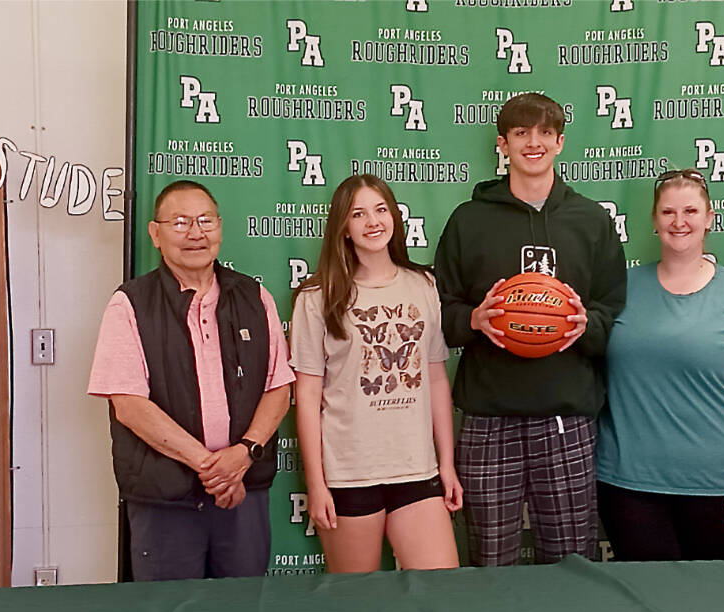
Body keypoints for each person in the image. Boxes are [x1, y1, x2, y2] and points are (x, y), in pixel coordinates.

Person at [434, 92, 627, 566]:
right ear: (503, 144)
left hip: (565, 415)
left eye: (544, 132)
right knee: (491, 561)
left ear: (560, 142)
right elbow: (440, 307)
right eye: (520, 133)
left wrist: (586, 326)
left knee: (571, 565)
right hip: (487, 416)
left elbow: (613, 308)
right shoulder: (468, 219)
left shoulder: (592, 220)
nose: (532, 142)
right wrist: (473, 320)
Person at [88, 180, 293, 581]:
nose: (195, 233)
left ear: (220, 226)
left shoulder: (254, 297)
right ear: (155, 233)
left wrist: (243, 454)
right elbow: (129, 405)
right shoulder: (130, 303)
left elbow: (279, 387)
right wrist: (213, 468)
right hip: (165, 501)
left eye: (205, 221)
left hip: (243, 495)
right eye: (180, 222)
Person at [595, 169, 724, 561]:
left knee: (706, 606)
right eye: (668, 212)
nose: (680, 222)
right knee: (647, 604)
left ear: (710, 218)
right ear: (654, 221)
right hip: (628, 482)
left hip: (714, 485)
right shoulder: (620, 288)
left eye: (691, 210)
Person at [290, 175, 460, 572]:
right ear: (343, 228)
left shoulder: (424, 285)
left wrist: (446, 464)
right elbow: (308, 397)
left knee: (442, 594)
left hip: (417, 468)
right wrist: (316, 485)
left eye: (381, 209)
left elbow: (436, 379)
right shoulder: (318, 297)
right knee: (355, 606)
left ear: (395, 217)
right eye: (358, 213)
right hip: (349, 474)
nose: (373, 221)